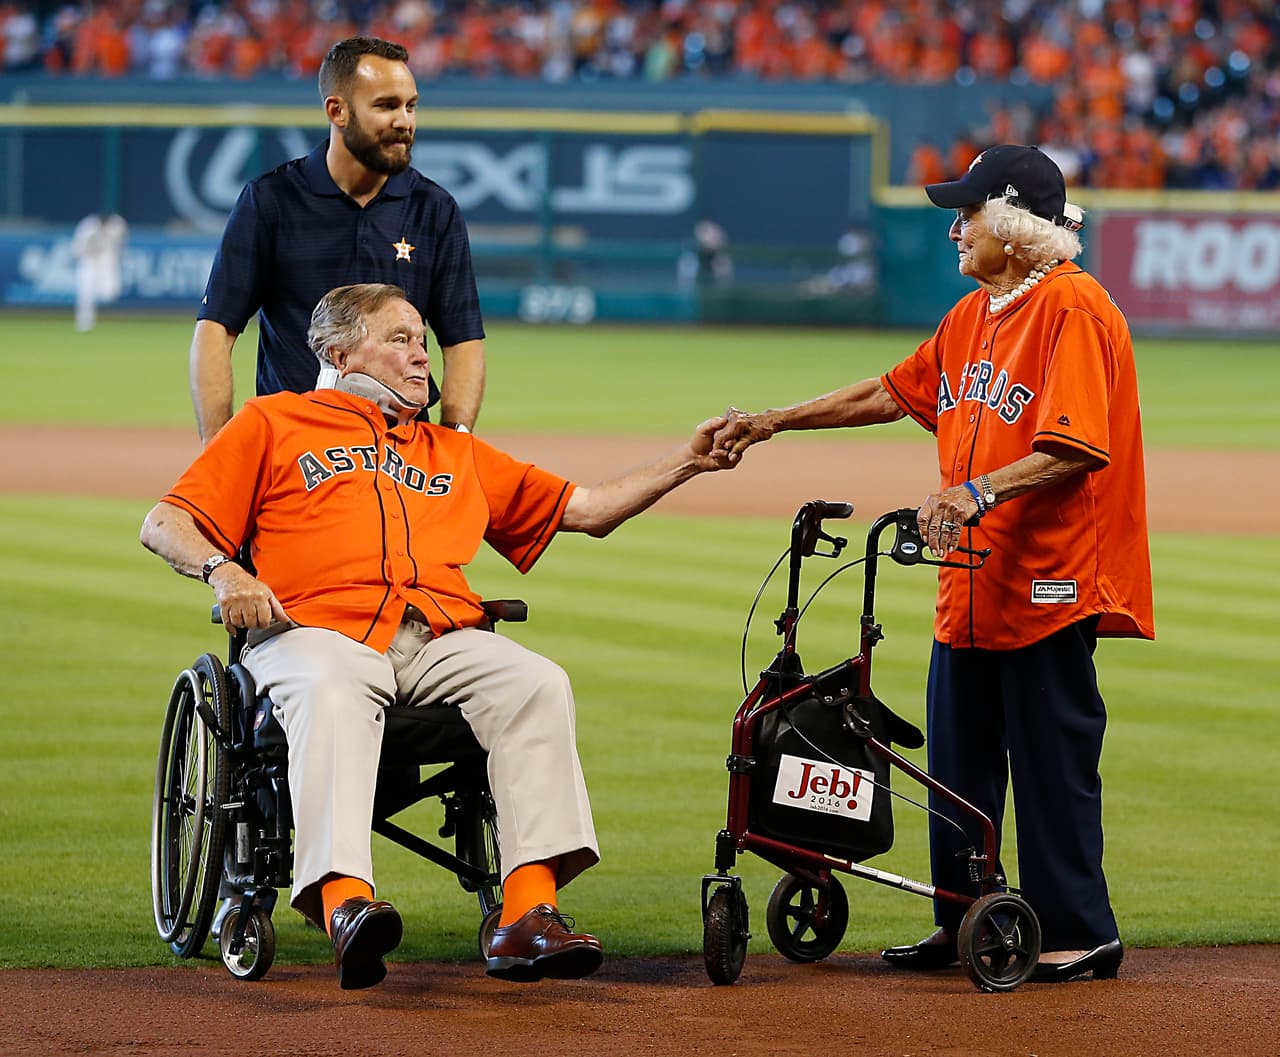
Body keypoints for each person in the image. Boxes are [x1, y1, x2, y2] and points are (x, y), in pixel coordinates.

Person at [142, 282, 742, 990]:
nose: (421, 356)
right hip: (312, 629)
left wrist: (688, 460)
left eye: (423, 341)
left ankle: (526, 913)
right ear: (339, 349)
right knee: (335, 685)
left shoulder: (450, 451)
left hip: (432, 636)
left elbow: (587, 509)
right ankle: (345, 905)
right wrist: (224, 573)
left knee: (536, 682)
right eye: (399, 339)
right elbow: (164, 522)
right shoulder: (273, 423)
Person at [713, 145, 1153, 984]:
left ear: (1016, 227)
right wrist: (773, 420)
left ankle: (1081, 927)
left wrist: (976, 490)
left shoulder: (1076, 307)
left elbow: (1076, 446)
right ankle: (965, 920)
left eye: (968, 213)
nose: (955, 227)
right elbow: (891, 391)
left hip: (1048, 580)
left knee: (1053, 760)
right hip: (972, 584)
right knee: (958, 763)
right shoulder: (972, 315)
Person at [190, 36, 485, 444]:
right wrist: (217, 450)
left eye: (411, 105)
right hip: (292, 448)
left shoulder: (434, 209)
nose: (405, 120)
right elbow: (215, 331)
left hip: (402, 452)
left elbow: (462, 341)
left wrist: (456, 439)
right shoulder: (271, 201)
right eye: (386, 106)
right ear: (338, 111)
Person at [69, 212, 127, 331]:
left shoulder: (118, 224)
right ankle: (84, 323)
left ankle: (98, 296)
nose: (104, 226)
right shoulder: (87, 228)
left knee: (110, 293)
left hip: (107, 261)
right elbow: (76, 250)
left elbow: (121, 244)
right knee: (85, 294)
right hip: (89, 261)